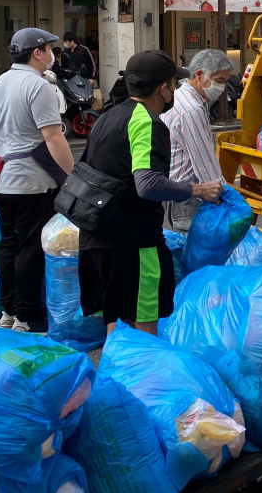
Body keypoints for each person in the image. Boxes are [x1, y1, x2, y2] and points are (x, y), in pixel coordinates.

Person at [77, 50, 222, 334]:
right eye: (173, 83)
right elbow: (147, 184)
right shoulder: (145, 120)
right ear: (162, 89)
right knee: (145, 337)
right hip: (134, 246)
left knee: (117, 331)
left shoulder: (108, 116)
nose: (175, 89)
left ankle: (116, 379)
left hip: (96, 243)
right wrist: (198, 189)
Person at [0, 29, 75, 333]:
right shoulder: (38, 86)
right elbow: (52, 136)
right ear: (37, 53)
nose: (52, 55)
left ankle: (7, 311)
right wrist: (72, 177)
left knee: (8, 246)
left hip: (0, 179)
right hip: (31, 182)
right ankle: (26, 317)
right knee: (30, 250)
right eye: (50, 49)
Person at [161, 48, 234, 231]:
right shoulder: (191, 109)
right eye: (219, 81)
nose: (223, 87)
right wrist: (227, 198)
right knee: (197, 256)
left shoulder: (179, 97)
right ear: (200, 75)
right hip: (188, 198)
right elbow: (205, 162)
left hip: (175, 194)